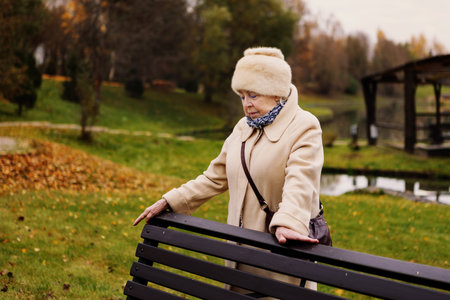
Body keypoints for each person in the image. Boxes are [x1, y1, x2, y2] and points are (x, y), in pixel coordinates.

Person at [133, 47, 324, 291]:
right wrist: (170, 200)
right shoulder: (243, 128)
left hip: (279, 252)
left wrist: (288, 221)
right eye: (242, 96)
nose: (246, 105)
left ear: (276, 93)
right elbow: (214, 177)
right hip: (237, 254)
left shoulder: (304, 126)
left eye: (253, 95)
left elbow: (301, 181)